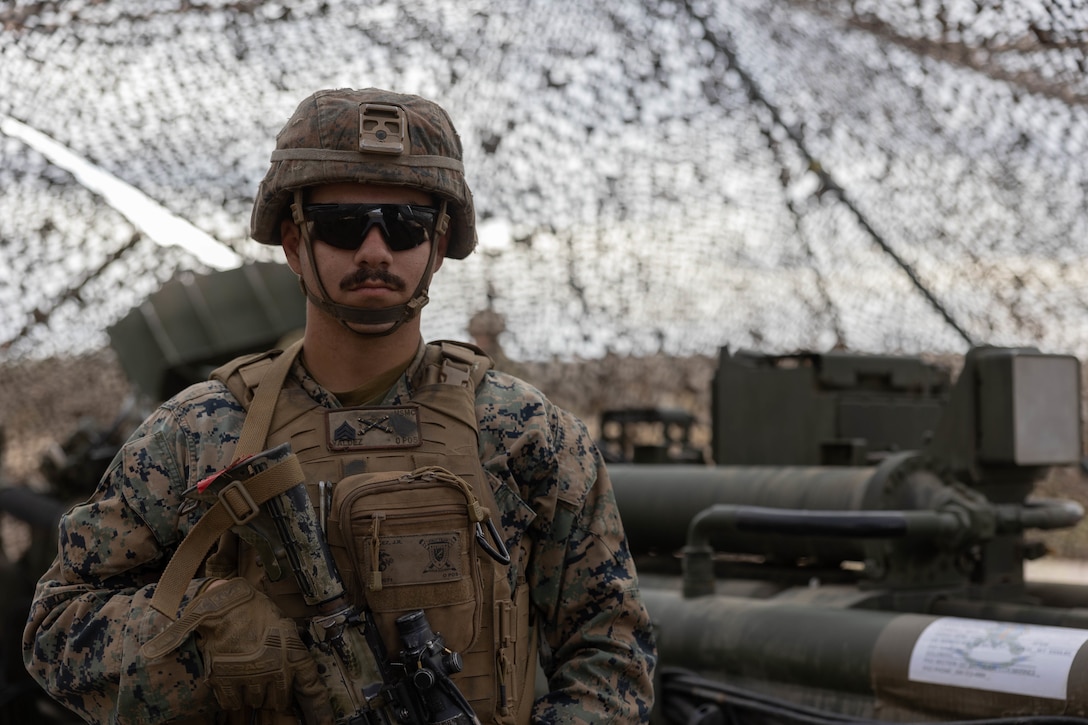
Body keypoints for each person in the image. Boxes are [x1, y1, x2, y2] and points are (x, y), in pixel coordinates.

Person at [23, 88, 657, 724]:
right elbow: (55, 628)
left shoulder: (525, 435)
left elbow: (613, 650)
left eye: (406, 225)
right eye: (344, 225)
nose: (376, 251)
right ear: (295, 243)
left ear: (437, 246)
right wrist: (202, 640)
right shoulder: (197, 434)